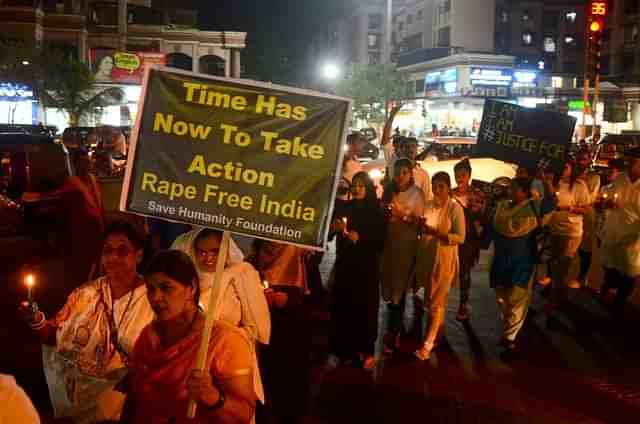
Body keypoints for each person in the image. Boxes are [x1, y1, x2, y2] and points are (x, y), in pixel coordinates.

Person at [21, 221, 154, 423]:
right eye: (107, 250)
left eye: (122, 251)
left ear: (139, 255)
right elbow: (53, 337)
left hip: (122, 410)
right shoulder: (85, 294)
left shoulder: (152, 301)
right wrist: (37, 320)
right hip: (74, 404)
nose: (113, 257)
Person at [121, 250, 257, 423]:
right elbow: (134, 401)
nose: (155, 298)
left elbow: (243, 413)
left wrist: (213, 398)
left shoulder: (225, 340)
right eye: (150, 289)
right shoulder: (148, 337)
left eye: (166, 288)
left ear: (191, 287)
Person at [171, 228, 270, 407]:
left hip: (230, 365)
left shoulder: (240, 275)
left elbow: (257, 329)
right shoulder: (184, 282)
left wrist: (224, 336)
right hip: (190, 365)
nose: (208, 259)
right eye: (202, 252)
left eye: (215, 252)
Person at [485, 177, 554, 357]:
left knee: (518, 300)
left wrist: (548, 182)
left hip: (522, 262)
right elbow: (489, 224)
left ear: (525, 192)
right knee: (502, 298)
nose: (511, 192)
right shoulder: (501, 206)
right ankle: (508, 329)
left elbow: (550, 203)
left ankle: (510, 337)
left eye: (516, 189)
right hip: (500, 260)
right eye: (511, 188)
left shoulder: (534, 207)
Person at [24, 148, 106, 294]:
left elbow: (100, 207)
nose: (87, 165)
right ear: (75, 165)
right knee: (83, 275)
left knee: (97, 272)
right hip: (81, 238)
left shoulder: (94, 181)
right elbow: (65, 213)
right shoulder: (72, 186)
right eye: (82, 162)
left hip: (98, 233)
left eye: (87, 161)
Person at [249, 240, 311, 424]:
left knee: (289, 380)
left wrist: (289, 301)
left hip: (291, 329)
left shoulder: (299, 251)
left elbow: (312, 294)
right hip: (261, 329)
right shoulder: (253, 259)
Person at [327, 171, 384, 369]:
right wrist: (334, 229)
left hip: (366, 269)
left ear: (368, 188)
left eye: (361, 185)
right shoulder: (346, 207)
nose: (357, 189)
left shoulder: (376, 211)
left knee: (364, 309)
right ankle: (341, 350)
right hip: (346, 266)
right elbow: (328, 235)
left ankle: (365, 349)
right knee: (343, 306)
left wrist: (361, 239)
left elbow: (380, 242)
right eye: (355, 185)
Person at [414, 172, 465, 360]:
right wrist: (421, 226)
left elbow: (461, 237)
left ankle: (428, 343)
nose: (437, 190)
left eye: (441, 186)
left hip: (444, 259)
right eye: (434, 186)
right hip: (427, 258)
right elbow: (422, 229)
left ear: (448, 187)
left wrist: (438, 233)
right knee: (436, 300)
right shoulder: (428, 205)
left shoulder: (454, 208)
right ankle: (437, 335)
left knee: (436, 303)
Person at [378, 158, 425, 356]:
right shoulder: (388, 192)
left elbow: (419, 222)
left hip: (406, 246)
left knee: (400, 288)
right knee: (389, 286)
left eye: (404, 173)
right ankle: (393, 327)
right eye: (397, 173)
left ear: (410, 174)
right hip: (388, 246)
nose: (400, 176)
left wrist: (403, 215)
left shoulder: (417, 194)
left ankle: (394, 332)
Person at [598, 147, 640, 313]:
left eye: (633, 162)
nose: (628, 164)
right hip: (613, 232)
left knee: (629, 273)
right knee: (610, 265)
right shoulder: (621, 178)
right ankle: (607, 289)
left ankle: (620, 301)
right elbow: (607, 198)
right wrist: (605, 204)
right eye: (626, 161)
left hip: (633, 240)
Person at [547, 160, 590, 317]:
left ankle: (553, 300)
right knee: (555, 264)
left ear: (572, 169)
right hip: (554, 229)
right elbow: (550, 201)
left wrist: (569, 208)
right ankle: (558, 293)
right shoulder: (554, 183)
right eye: (561, 166)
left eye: (566, 166)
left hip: (571, 231)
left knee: (562, 265)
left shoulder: (579, 185)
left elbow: (586, 208)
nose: (562, 169)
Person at [452, 158, 478, 321]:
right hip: (451, 238)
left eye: (463, 175)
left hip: (468, 240)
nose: (460, 178)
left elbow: (482, 216)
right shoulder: (450, 193)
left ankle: (463, 304)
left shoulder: (476, 194)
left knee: (464, 272)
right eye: (457, 175)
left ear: (469, 176)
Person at [572, 148, 601, 288]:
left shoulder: (594, 177)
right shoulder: (571, 173)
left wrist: (581, 183)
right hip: (570, 215)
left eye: (583, 159)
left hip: (587, 216)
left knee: (585, 248)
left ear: (589, 160)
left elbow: (590, 199)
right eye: (578, 158)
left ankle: (583, 275)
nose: (580, 162)